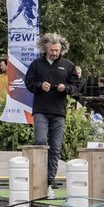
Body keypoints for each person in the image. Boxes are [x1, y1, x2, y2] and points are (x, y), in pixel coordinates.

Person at [25, 33, 80, 198]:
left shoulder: (68, 66)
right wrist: (40, 85)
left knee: (56, 146)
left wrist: (67, 88)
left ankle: (50, 179)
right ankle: (39, 176)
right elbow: (28, 83)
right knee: (41, 141)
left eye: (57, 50)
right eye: (52, 50)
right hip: (41, 109)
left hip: (59, 111)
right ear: (45, 49)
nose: (55, 53)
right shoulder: (36, 64)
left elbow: (76, 87)